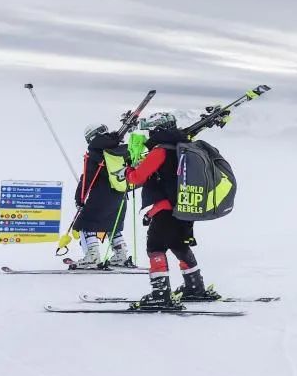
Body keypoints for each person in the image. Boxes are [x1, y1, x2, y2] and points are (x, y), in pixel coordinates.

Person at [122, 113, 220, 309]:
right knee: (178, 244)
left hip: (166, 209)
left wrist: (128, 170)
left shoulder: (160, 151)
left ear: (158, 130)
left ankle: (160, 294)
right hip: (185, 206)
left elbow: (137, 178)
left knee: (155, 246)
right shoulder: (183, 147)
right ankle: (195, 286)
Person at [72, 124, 132, 268]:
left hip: (101, 195)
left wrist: (79, 199)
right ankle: (121, 255)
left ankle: (92, 256)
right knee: (113, 224)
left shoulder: (94, 152)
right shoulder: (120, 149)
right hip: (121, 195)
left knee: (85, 223)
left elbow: (87, 177)